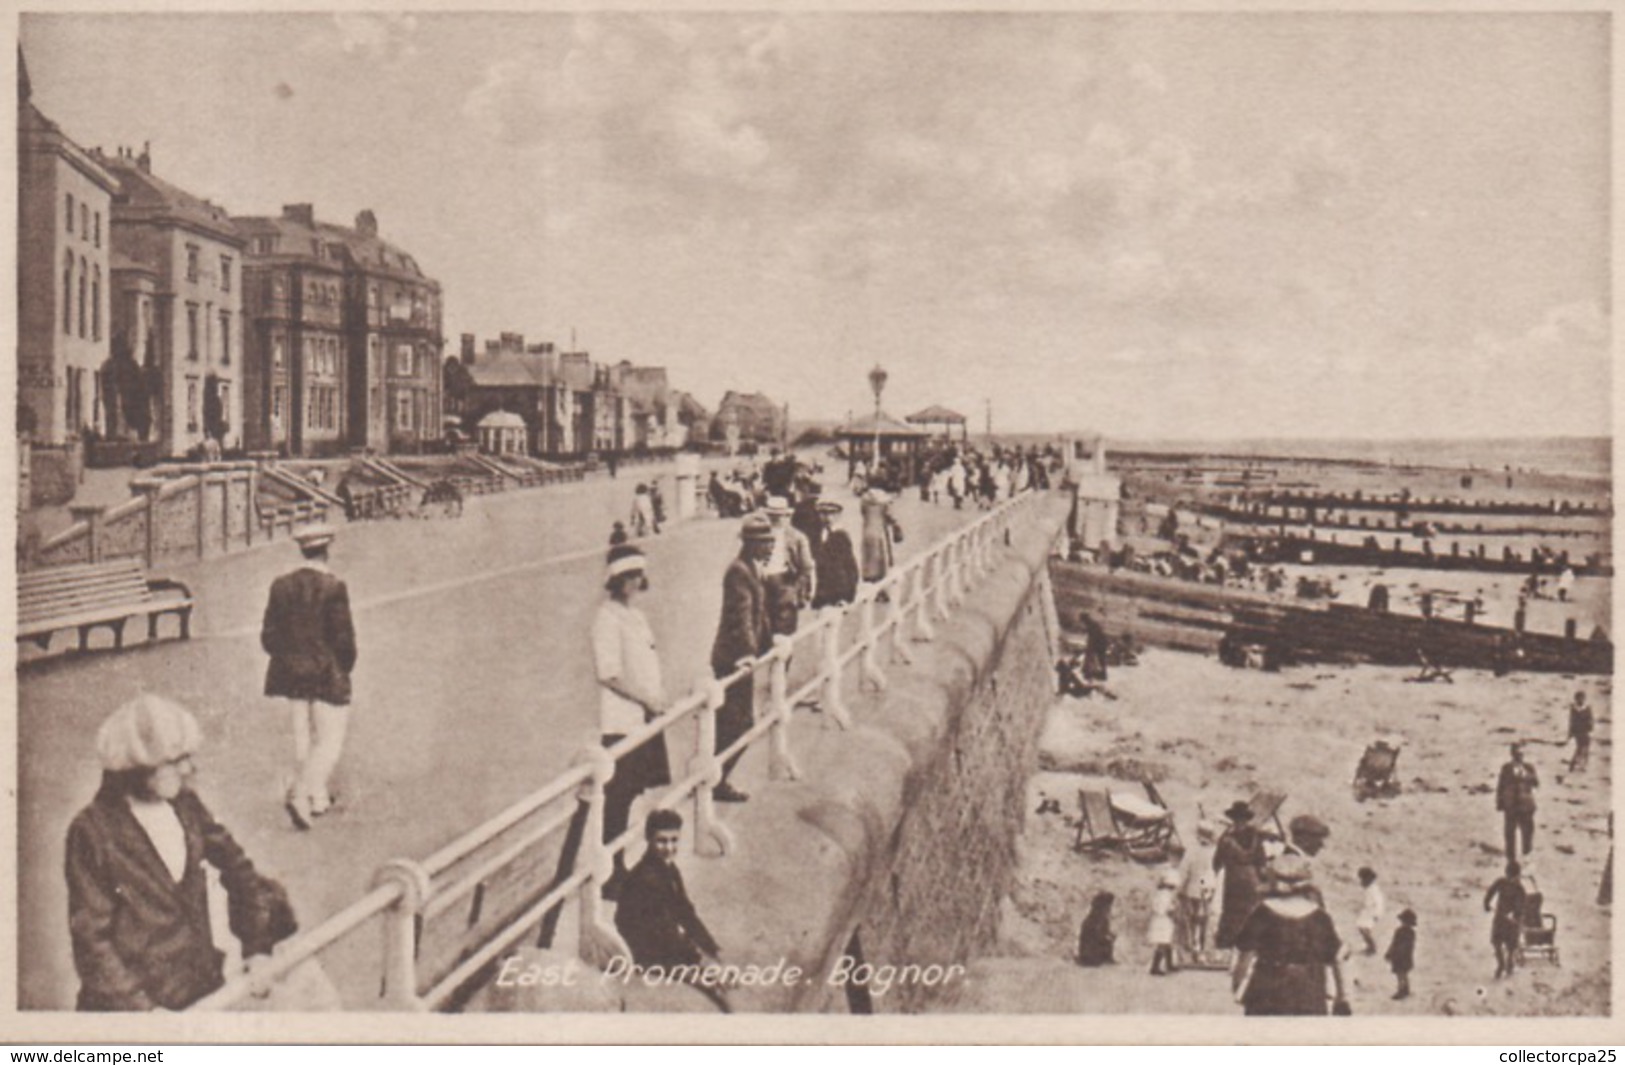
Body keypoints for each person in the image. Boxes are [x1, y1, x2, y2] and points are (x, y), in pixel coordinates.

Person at [66, 696, 289, 1011]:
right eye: (173, 760)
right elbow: (91, 941)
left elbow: (240, 871)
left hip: (198, 987)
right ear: (134, 768)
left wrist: (257, 947)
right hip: (133, 1005)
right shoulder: (92, 831)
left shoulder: (185, 805)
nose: (188, 769)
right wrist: (143, 1011)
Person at [261, 523, 357, 829]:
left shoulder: (280, 586)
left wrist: (289, 656)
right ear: (326, 550)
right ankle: (303, 793)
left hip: (289, 673)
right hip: (326, 672)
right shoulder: (333, 587)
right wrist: (343, 667)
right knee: (329, 740)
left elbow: (268, 637)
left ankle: (318, 797)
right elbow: (344, 641)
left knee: (302, 738)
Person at [614, 809, 729, 1012]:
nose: (669, 847)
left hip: (663, 944)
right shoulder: (645, 879)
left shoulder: (668, 869)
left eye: (674, 840)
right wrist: (699, 959)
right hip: (645, 953)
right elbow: (663, 931)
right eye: (662, 841)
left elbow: (686, 913)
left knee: (723, 979)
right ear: (648, 839)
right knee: (715, 992)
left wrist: (713, 949)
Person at [1232, 854, 1349, 1016]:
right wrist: (1342, 997)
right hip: (1309, 991)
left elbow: (1245, 954)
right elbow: (1336, 959)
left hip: (1267, 991)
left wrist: (1238, 984)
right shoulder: (1320, 917)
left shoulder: (1262, 912)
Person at [710, 514, 775, 803]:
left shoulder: (749, 568)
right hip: (732, 659)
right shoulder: (738, 572)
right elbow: (742, 618)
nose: (771, 546)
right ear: (750, 544)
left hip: (739, 657)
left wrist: (770, 646)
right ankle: (715, 779)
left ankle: (715, 777)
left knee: (733, 723)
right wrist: (749, 654)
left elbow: (758, 615)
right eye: (765, 542)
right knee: (739, 724)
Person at [1213, 801, 1266, 954]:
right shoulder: (1256, 836)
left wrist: (1216, 872)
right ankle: (1251, 944)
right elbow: (1261, 859)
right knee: (1251, 910)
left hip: (1233, 878)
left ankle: (1228, 943)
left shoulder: (1226, 837)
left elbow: (1217, 861)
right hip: (1251, 877)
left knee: (1231, 910)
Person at [762, 496, 815, 639]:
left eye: (780, 516)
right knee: (763, 635)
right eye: (772, 516)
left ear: (787, 516)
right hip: (762, 587)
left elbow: (807, 567)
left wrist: (795, 590)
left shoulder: (797, 537)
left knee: (784, 635)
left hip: (785, 585)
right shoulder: (760, 535)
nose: (777, 520)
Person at [809, 501, 859, 610]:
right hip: (823, 591)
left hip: (838, 591)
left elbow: (850, 565)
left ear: (838, 515)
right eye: (823, 514)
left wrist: (848, 594)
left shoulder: (841, 536)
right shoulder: (819, 534)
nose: (827, 518)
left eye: (831, 514)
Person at [1483, 860, 1528, 978]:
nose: (1511, 879)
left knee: (1509, 945)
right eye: (1510, 876)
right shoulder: (1510, 885)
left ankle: (1508, 963)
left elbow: (1521, 905)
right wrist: (1486, 903)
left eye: (1512, 876)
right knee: (1497, 942)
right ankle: (1502, 964)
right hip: (1502, 919)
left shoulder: (1516, 887)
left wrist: (1516, 915)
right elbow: (1490, 892)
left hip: (1509, 921)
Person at [1496, 744, 1539, 858]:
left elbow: (1536, 783)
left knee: (1527, 833)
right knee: (1510, 834)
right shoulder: (1506, 768)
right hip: (1511, 806)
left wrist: (1526, 775)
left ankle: (1527, 858)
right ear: (1512, 754)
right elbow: (1500, 786)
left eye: (1521, 754)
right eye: (1517, 754)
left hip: (1526, 805)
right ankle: (1511, 860)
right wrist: (1500, 804)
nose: (1519, 756)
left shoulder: (1529, 767)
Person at [859, 487, 895, 585]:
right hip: (880, 530)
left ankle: (871, 579)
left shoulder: (864, 499)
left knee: (869, 556)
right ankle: (881, 585)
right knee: (881, 557)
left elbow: (863, 512)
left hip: (867, 530)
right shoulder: (885, 500)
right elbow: (890, 516)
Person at [1149, 871, 1179, 975]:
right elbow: (1166, 909)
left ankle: (1169, 964)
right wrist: (1174, 911)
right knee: (1163, 942)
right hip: (1163, 920)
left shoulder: (1159, 893)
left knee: (1167, 942)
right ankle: (1155, 967)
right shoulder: (1165, 895)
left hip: (1159, 919)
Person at [1076, 891, 1116, 967]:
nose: (1109, 909)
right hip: (1091, 952)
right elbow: (1096, 935)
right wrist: (1107, 937)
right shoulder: (1095, 919)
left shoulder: (1101, 918)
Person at [1385, 909, 1417, 1000]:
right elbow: (1395, 943)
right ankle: (1405, 989)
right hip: (1405, 957)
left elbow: (1396, 944)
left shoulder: (1402, 932)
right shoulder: (1410, 933)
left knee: (1400, 975)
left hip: (1400, 957)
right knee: (1403, 974)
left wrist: (1391, 953)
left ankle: (1401, 990)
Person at [1355, 867, 1385, 955]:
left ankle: (1372, 947)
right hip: (1367, 911)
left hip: (1372, 912)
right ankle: (1370, 947)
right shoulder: (1369, 889)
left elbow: (1379, 903)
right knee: (1361, 928)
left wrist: (1377, 914)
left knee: (1364, 929)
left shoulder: (1374, 889)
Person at [1566, 691, 1595, 773]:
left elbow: (1591, 719)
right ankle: (1574, 764)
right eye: (1579, 699)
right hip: (1578, 731)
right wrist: (1570, 733)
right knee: (1580, 748)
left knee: (1585, 748)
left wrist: (1590, 728)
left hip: (1585, 731)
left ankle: (1582, 765)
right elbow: (1572, 721)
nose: (1580, 700)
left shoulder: (1587, 708)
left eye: (1582, 698)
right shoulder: (1574, 708)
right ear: (1576, 699)